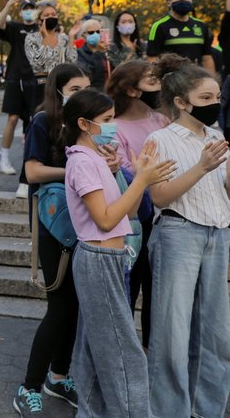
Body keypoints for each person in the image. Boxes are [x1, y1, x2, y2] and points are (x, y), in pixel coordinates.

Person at [62, 89, 174, 417]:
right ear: (83, 123)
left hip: (107, 259)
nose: (113, 128)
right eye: (107, 121)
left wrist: (122, 175)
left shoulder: (95, 159)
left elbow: (127, 212)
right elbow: (107, 218)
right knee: (123, 354)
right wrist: (141, 179)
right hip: (98, 260)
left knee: (98, 349)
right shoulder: (81, 162)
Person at [143, 54, 230, 418]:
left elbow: (224, 191)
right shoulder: (160, 139)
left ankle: (207, 409)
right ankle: (168, 411)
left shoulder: (217, 135)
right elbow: (159, 197)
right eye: (206, 98)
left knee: (217, 333)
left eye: (217, 97)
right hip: (178, 233)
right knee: (172, 335)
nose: (215, 105)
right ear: (181, 102)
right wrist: (202, 166)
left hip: (219, 232)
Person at [14, 63, 90, 415]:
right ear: (58, 90)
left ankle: (58, 377)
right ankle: (29, 385)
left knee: (74, 307)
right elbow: (31, 171)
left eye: (86, 87)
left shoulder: (87, 124)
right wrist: (77, 169)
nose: (82, 94)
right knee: (59, 306)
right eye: (75, 88)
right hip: (54, 223)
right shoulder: (44, 121)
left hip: (87, 223)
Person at [105, 60, 167, 346]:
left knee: (157, 291)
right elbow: (126, 175)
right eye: (152, 82)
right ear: (131, 90)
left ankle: (152, 351)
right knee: (130, 287)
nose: (159, 87)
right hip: (136, 219)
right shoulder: (114, 127)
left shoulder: (162, 120)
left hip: (164, 215)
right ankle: (124, 352)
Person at [0, 0, 40, 188]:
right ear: (21, 12)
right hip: (15, 78)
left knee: (33, 121)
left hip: (35, 80)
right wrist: (10, 2)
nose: (28, 12)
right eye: (25, 9)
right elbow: (0, 24)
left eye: (32, 8)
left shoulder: (42, 29)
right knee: (12, 119)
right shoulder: (15, 28)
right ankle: (3, 158)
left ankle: (31, 160)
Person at [146, 0, 216, 73]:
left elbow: (207, 58)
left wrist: (212, 80)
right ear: (169, 3)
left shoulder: (201, 25)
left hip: (197, 79)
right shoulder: (159, 26)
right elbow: (152, 58)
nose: (182, 0)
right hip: (171, 80)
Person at [75, 18, 112, 91]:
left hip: (110, 93)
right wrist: (97, 52)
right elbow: (88, 75)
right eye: (91, 32)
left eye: (98, 32)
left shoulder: (106, 51)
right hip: (92, 94)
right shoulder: (79, 53)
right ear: (83, 36)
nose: (95, 34)